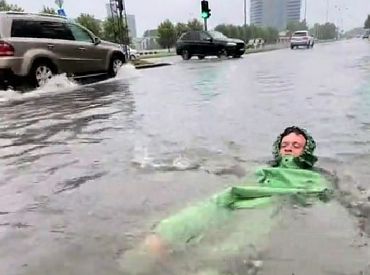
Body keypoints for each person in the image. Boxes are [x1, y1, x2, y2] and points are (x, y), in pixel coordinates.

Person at [144, 126, 329, 256]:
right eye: (285, 144)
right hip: (230, 198)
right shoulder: (260, 170)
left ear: (306, 152)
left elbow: (319, 197)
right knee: (163, 234)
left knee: (221, 255)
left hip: (265, 207)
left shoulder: (314, 177)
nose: (288, 148)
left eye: (296, 146)